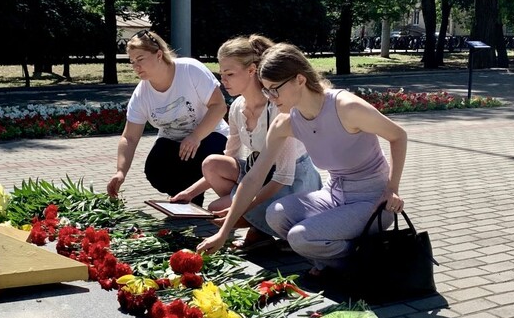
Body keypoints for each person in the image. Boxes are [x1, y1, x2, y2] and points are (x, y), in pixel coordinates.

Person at [197, 43, 407, 276]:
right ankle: (333, 262)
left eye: (274, 89)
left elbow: (398, 135)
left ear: (300, 79)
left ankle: (362, 266)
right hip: (333, 195)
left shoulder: (346, 107)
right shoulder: (286, 121)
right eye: (266, 90)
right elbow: (254, 177)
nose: (271, 97)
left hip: (374, 201)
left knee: (300, 237)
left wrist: (392, 189)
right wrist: (224, 232)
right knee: (276, 214)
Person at [170, 35, 321, 250]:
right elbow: (230, 158)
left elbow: (283, 177)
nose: (223, 81)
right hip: (261, 174)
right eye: (221, 74)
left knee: (219, 209)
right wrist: (189, 194)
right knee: (212, 164)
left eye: (230, 74)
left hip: (292, 182)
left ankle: (266, 228)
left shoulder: (277, 107)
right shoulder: (237, 107)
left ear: (251, 70)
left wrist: (239, 209)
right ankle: (258, 227)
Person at [107, 30, 230, 206]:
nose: (136, 66)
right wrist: (120, 172)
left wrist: (195, 136)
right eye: (132, 62)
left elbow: (219, 106)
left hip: (210, 134)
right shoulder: (141, 94)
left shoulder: (189, 69)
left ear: (159, 55)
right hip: (173, 140)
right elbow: (130, 137)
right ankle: (184, 201)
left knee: (196, 158)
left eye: (140, 59)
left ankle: (212, 199)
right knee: (155, 169)